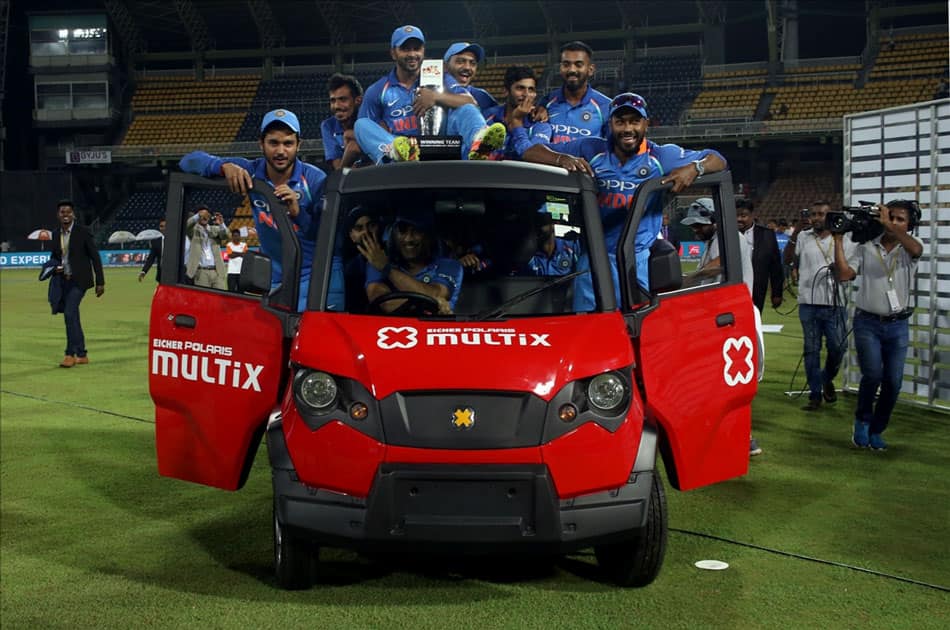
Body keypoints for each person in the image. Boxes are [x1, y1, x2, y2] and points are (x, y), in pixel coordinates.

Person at [521, 92, 727, 299]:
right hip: (591, 258)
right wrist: (560, 159)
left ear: (646, 124)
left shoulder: (662, 156)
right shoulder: (591, 148)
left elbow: (718, 159)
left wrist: (695, 168)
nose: (628, 129)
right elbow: (530, 152)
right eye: (620, 122)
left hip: (635, 260)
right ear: (610, 124)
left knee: (633, 326)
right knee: (588, 325)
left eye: (635, 122)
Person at [180, 109, 340, 311]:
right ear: (261, 144)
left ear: (298, 145)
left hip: (317, 275)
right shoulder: (251, 171)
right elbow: (188, 161)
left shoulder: (315, 179)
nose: (281, 151)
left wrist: (298, 213)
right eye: (273, 143)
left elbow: (327, 237)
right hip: (274, 279)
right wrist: (223, 166)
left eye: (288, 143)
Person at [832, 200, 923, 451]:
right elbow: (844, 275)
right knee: (872, 375)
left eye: (899, 219)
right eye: (889, 217)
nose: (892, 222)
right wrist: (839, 241)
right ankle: (862, 421)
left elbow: (917, 249)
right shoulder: (866, 247)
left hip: (898, 326)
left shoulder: (908, 249)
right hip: (867, 323)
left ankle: (877, 429)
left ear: (910, 224)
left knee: (893, 383)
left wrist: (888, 225)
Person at [353, 26, 506, 164]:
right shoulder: (378, 89)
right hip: (405, 154)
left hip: (443, 145)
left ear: (423, 50)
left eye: (417, 48)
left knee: (465, 108)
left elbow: (470, 101)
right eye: (405, 49)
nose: (412, 54)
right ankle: (398, 151)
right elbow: (366, 131)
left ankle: (479, 144)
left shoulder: (438, 76)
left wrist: (435, 97)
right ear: (393, 53)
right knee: (360, 125)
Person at [784, 200, 857, 411]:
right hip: (808, 303)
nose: (817, 218)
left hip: (835, 303)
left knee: (838, 347)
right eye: (814, 214)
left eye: (821, 214)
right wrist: (796, 231)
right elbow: (789, 259)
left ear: (831, 216)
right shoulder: (804, 236)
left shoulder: (845, 238)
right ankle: (815, 395)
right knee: (811, 350)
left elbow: (850, 272)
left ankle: (826, 379)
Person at [358, 212, 462, 315]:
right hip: (392, 328)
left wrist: (387, 269)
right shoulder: (377, 262)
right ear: (394, 234)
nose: (408, 239)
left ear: (429, 235)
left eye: (416, 231)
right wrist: (426, 307)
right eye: (402, 230)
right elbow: (383, 302)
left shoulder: (450, 266)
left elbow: (437, 294)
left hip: (435, 329)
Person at [49, 199, 105, 368]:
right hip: (62, 280)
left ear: (73, 214)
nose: (65, 215)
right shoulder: (55, 233)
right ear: (58, 215)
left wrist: (100, 282)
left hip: (79, 281)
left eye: (68, 212)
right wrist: (54, 266)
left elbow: (95, 257)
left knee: (68, 313)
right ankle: (82, 354)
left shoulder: (83, 232)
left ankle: (69, 354)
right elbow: (55, 256)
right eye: (62, 212)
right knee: (73, 316)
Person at [542, 41, 611, 144]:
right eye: (566, 64)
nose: (572, 70)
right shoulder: (546, 102)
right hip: (549, 160)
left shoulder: (606, 106)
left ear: (591, 69)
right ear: (560, 68)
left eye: (578, 65)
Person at [680, 198, 753, 293]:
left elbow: (716, 267)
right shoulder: (711, 241)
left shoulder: (731, 237)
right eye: (693, 226)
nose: (695, 229)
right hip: (720, 302)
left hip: (734, 302)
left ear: (715, 221)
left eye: (699, 225)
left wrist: (687, 280)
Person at [482, 65, 552, 160]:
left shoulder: (541, 124)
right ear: (506, 91)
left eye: (531, 89)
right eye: (520, 88)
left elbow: (534, 157)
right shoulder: (487, 116)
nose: (526, 94)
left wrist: (517, 122)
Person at [736, 198, 784, 312]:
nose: (739, 219)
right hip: (732, 290)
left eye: (743, 216)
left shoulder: (767, 235)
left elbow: (776, 267)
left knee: (755, 324)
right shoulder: (726, 235)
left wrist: (777, 293)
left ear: (752, 215)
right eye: (736, 215)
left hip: (757, 291)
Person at [321, 73, 366, 170]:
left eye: (343, 99)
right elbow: (337, 165)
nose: (336, 106)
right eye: (333, 101)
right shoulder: (328, 126)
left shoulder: (370, 121)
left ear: (358, 100)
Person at [342, 205, 381, 312]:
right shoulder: (350, 269)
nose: (366, 232)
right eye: (359, 228)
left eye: (371, 226)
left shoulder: (396, 259)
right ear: (352, 235)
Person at [443, 41, 498, 111]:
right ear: (445, 66)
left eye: (473, 63)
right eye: (460, 61)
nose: (467, 67)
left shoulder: (483, 97)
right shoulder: (431, 93)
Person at [185, 207, 228, 289]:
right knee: (204, 300)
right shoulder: (193, 231)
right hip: (201, 272)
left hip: (217, 271)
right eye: (202, 215)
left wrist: (221, 224)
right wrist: (198, 215)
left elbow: (225, 235)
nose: (204, 217)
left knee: (219, 299)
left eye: (206, 215)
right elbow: (187, 225)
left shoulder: (214, 229)